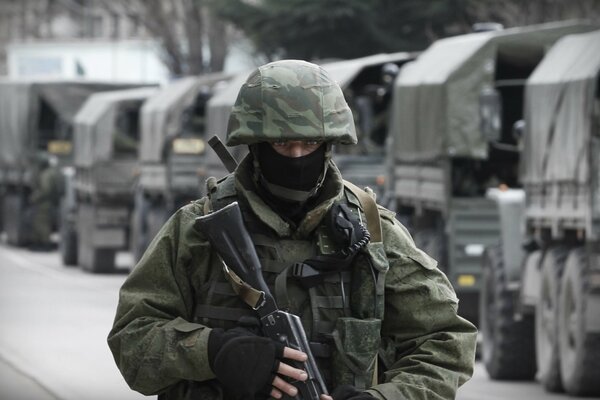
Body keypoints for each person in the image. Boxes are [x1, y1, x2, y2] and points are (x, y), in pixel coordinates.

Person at [108, 60, 477, 400]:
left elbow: (447, 343)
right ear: (255, 144)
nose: (298, 156)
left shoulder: (373, 232)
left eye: (311, 143)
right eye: (282, 144)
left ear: (329, 145)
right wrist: (213, 351)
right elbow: (132, 340)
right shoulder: (197, 229)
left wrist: (385, 397)